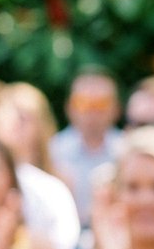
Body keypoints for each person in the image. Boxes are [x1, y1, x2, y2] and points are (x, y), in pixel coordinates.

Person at [0, 82, 81, 249]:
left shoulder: (56, 182)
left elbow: (65, 243)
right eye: (8, 115)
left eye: (23, 117)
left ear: (40, 125)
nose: (14, 123)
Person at [50, 70, 122, 230]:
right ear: (69, 107)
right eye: (83, 102)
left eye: (101, 103)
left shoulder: (128, 150)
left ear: (116, 109)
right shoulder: (53, 151)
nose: (92, 110)